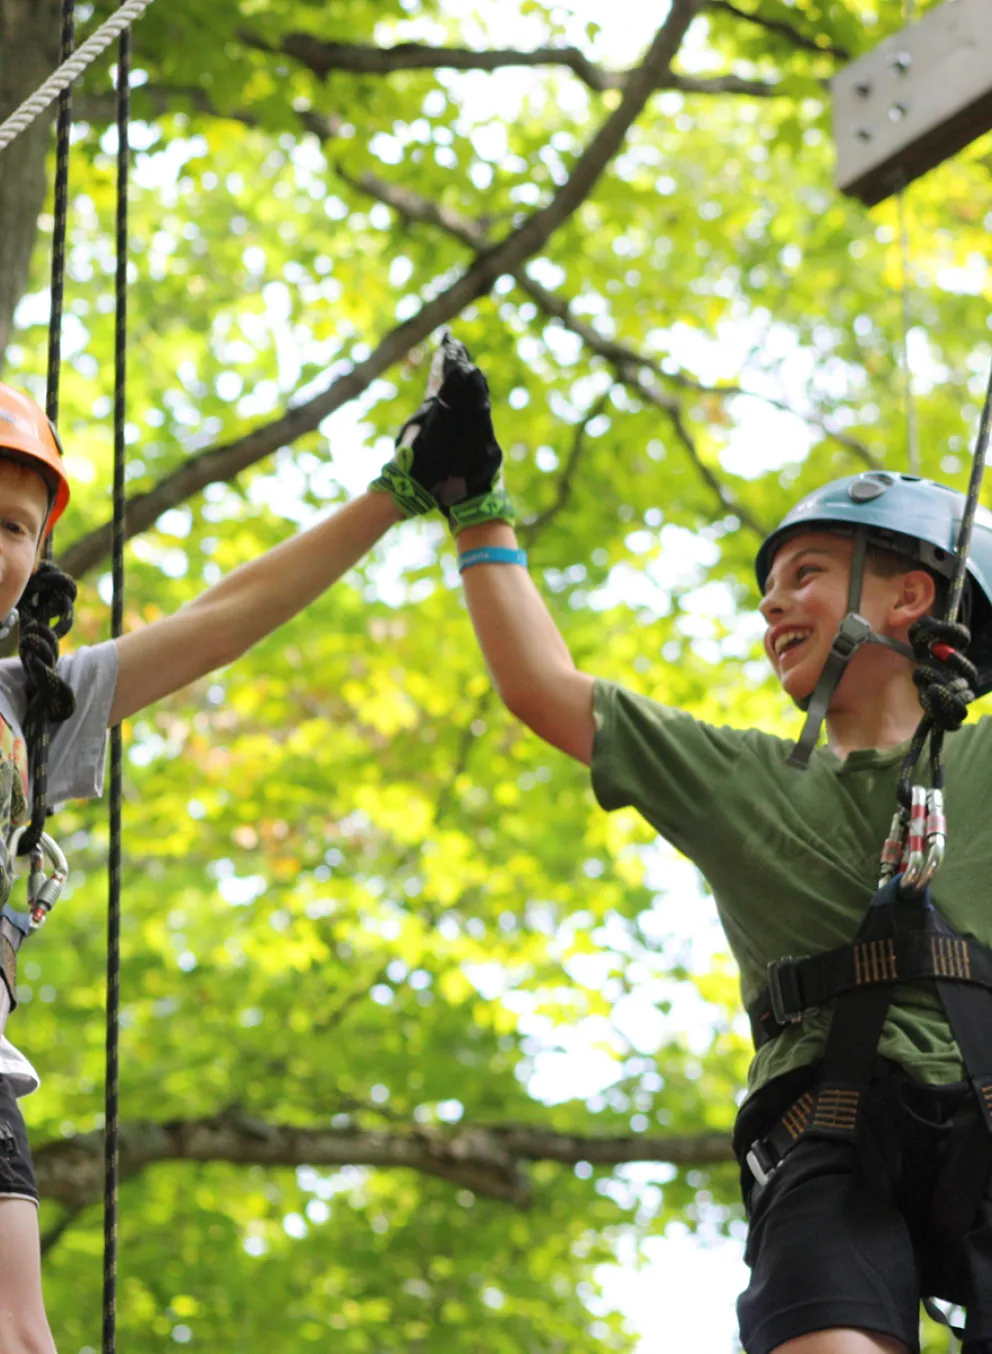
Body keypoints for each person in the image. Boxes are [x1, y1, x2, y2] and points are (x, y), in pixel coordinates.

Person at [421, 336, 992, 1354]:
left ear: (912, 597)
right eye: (769, 589)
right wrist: (475, 505)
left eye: (807, 575)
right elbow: (544, 689)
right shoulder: (743, 779)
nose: (771, 604)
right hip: (827, 1140)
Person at [0, 366, 453, 1354]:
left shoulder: (30, 709)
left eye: (13, 527)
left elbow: (221, 621)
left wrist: (402, 488)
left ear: (36, 559)